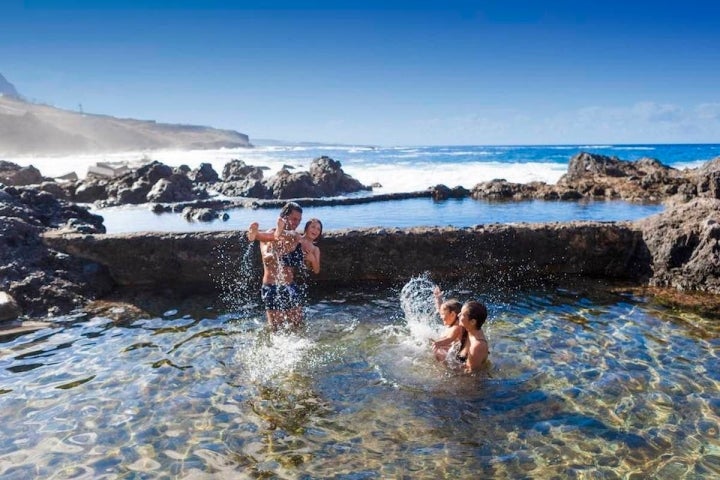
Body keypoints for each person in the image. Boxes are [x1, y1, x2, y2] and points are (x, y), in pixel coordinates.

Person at [246, 203, 323, 330]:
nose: (296, 223)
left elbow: (313, 264)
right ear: (284, 217)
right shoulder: (271, 233)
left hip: (290, 286)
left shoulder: (294, 237)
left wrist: (311, 258)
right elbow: (267, 257)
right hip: (272, 287)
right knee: (276, 328)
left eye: (299, 220)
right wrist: (268, 247)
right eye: (294, 219)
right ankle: (254, 235)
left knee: (298, 325)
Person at [430, 286, 464, 362]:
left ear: (452, 314)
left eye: (442, 314)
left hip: (455, 357)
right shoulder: (451, 321)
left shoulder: (457, 327)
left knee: (438, 351)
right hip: (450, 348)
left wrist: (438, 343)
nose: (441, 316)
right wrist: (438, 298)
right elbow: (440, 309)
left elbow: (449, 338)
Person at [456, 300, 490, 373]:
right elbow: (446, 314)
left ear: (472, 322)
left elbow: (470, 375)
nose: (458, 315)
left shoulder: (477, 346)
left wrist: (443, 363)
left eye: (462, 314)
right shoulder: (468, 328)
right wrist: (438, 299)